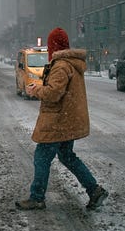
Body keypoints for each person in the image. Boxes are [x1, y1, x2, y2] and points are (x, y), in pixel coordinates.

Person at [16, 27, 109, 211]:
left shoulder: (61, 66)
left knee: (42, 157)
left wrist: (35, 90)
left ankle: (37, 197)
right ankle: (94, 190)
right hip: (67, 120)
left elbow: (53, 94)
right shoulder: (70, 64)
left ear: (54, 46)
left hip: (58, 122)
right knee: (67, 157)